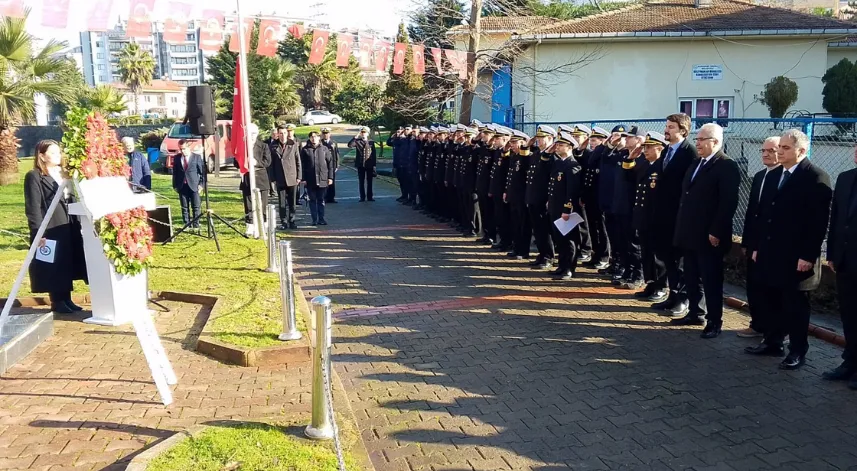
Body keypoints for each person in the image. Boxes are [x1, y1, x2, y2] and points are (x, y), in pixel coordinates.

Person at [744, 129, 832, 370]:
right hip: (770, 252)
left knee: (795, 306)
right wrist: (757, 247)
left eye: (785, 148)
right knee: (770, 299)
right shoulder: (774, 176)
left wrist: (807, 255)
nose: (779, 152)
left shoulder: (816, 178)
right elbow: (764, 216)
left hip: (797, 256)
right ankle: (773, 342)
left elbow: (818, 223)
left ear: (801, 151)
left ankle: (797, 350)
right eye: (779, 147)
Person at [671, 123, 740, 339]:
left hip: (709, 236)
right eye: (697, 139)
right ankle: (695, 312)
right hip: (690, 233)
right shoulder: (696, 163)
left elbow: (728, 203)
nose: (697, 143)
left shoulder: (726, 166)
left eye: (702, 140)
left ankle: (714, 321)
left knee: (711, 280)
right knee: (691, 276)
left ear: (716, 142)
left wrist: (716, 231)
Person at [24, 140, 87, 314]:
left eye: (59, 152)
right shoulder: (34, 176)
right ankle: (57, 300)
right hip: (50, 225)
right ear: (42, 156)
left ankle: (66, 298)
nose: (58, 156)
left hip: (68, 223)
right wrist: (38, 232)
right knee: (54, 263)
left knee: (67, 261)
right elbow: (33, 207)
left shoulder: (64, 174)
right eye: (52, 153)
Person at [650, 114, 698, 315]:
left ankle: (682, 299)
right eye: (666, 126)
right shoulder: (667, 150)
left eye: (671, 127)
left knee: (679, 261)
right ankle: (672, 295)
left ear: (683, 130)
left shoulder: (690, 153)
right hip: (663, 215)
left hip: (678, 216)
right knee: (668, 259)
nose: (666, 130)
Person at [738, 136, 781, 337]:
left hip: (771, 244)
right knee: (753, 285)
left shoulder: (784, 178)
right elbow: (751, 211)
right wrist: (746, 241)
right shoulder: (759, 176)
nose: (765, 154)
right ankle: (757, 323)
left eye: (771, 150)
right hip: (754, 240)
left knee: (770, 288)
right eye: (763, 150)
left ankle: (774, 328)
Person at [824, 144, 857, 388]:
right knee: (848, 313)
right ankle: (849, 362)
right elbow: (836, 219)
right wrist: (833, 253)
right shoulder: (845, 178)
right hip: (846, 260)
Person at [631, 132, 668, 301]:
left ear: (660, 148)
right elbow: (628, 179)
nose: (645, 150)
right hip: (643, 216)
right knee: (646, 252)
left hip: (655, 217)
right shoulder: (645, 165)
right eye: (644, 147)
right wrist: (629, 159)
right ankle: (650, 283)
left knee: (657, 255)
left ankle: (661, 286)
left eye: (649, 147)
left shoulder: (662, 166)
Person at [548, 131, 583, 280]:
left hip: (565, 208)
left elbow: (572, 191)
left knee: (568, 239)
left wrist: (567, 209)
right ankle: (562, 265)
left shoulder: (573, 165)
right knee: (559, 239)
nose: (557, 147)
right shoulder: (559, 163)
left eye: (561, 145)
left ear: (569, 147)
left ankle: (569, 268)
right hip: (555, 206)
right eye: (557, 144)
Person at [524, 125, 557, 268]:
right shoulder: (537, 153)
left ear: (550, 138)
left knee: (545, 229)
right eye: (537, 137)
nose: (538, 140)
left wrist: (549, 199)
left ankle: (548, 256)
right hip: (533, 196)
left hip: (543, 197)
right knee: (537, 228)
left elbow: (551, 179)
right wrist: (526, 146)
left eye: (541, 138)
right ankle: (542, 254)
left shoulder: (552, 156)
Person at [581, 127, 611, 270]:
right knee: (593, 227)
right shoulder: (592, 155)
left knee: (602, 229)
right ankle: (596, 254)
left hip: (599, 197)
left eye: (594, 141)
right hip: (591, 197)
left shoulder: (604, 155)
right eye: (591, 140)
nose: (591, 143)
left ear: (603, 141)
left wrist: (603, 147)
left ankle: (604, 256)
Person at [239, 123, 272, 235]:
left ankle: (264, 224)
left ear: (257, 133)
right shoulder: (243, 147)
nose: (251, 135)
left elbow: (267, 162)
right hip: (247, 178)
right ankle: (250, 225)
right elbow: (235, 162)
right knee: (248, 204)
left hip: (261, 179)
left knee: (262, 204)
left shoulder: (263, 146)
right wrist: (242, 161)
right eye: (249, 133)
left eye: (253, 133)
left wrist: (256, 163)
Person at [505, 130, 531, 259]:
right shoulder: (514, 156)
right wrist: (507, 191)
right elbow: (510, 176)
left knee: (523, 224)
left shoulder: (526, 157)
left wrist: (525, 150)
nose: (513, 145)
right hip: (513, 195)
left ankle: (523, 250)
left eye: (515, 143)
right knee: (515, 223)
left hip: (522, 196)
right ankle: (516, 248)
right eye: (512, 143)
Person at [271, 123, 302, 230]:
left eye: (285, 133)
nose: (283, 135)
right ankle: (283, 222)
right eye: (281, 133)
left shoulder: (293, 144)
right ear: (277, 134)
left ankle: (292, 221)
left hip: (292, 177)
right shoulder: (273, 146)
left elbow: (298, 161)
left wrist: (299, 176)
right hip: (280, 178)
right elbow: (271, 164)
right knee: (282, 202)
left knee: (292, 202)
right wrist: (273, 178)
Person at [301, 131, 334, 225]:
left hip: (323, 178)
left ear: (319, 138)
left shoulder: (324, 149)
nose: (313, 138)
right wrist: (303, 178)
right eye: (311, 137)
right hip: (310, 180)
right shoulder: (305, 150)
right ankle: (314, 219)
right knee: (312, 200)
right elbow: (302, 165)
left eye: (315, 136)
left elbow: (330, 164)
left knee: (321, 199)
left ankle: (321, 218)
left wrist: (330, 177)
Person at [172, 139, 206, 228]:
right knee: (184, 207)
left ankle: (196, 224)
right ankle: (187, 224)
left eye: (184, 148)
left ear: (188, 147)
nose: (182, 151)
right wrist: (175, 185)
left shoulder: (196, 157)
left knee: (196, 207)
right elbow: (175, 173)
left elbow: (203, 173)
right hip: (182, 186)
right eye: (180, 149)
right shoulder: (177, 158)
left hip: (194, 185)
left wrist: (201, 185)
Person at [490, 127, 513, 252]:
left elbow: (506, 175)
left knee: (505, 218)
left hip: (504, 191)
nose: (495, 141)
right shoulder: (498, 152)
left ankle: (507, 242)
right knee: (499, 217)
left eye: (497, 139)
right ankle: (503, 240)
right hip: (497, 190)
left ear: (505, 139)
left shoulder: (509, 155)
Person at [348, 126, 377, 202]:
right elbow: (350, 145)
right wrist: (355, 137)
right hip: (360, 164)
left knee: (369, 181)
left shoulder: (371, 142)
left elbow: (374, 154)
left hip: (369, 164)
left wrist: (374, 166)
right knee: (361, 181)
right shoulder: (357, 141)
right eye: (362, 132)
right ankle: (362, 197)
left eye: (365, 132)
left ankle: (370, 197)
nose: (363, 134)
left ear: (368, 133)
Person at [389, 126, 410, 202]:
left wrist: (402, 137)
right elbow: (389, 142)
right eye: (397, 132)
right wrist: (393, 135)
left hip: (404, 164)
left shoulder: (405, 140)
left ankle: (407, 196)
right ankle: (403, 195)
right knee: (400, 180)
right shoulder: (396, 140)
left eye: (400, 132)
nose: (398, 133)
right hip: (397, 164)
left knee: (405, 181)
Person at [321, 127, 339, 204]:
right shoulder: (320, 143)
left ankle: (331, 198)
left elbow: (336, 155)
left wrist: (337, 165)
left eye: (327, 133)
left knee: (332, 182)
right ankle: (324, 197)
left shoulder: (333, 143)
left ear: (330, 134)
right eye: (324, 133)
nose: (325, 135)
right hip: (323, 166)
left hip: (332, 166)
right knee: (323, 182)